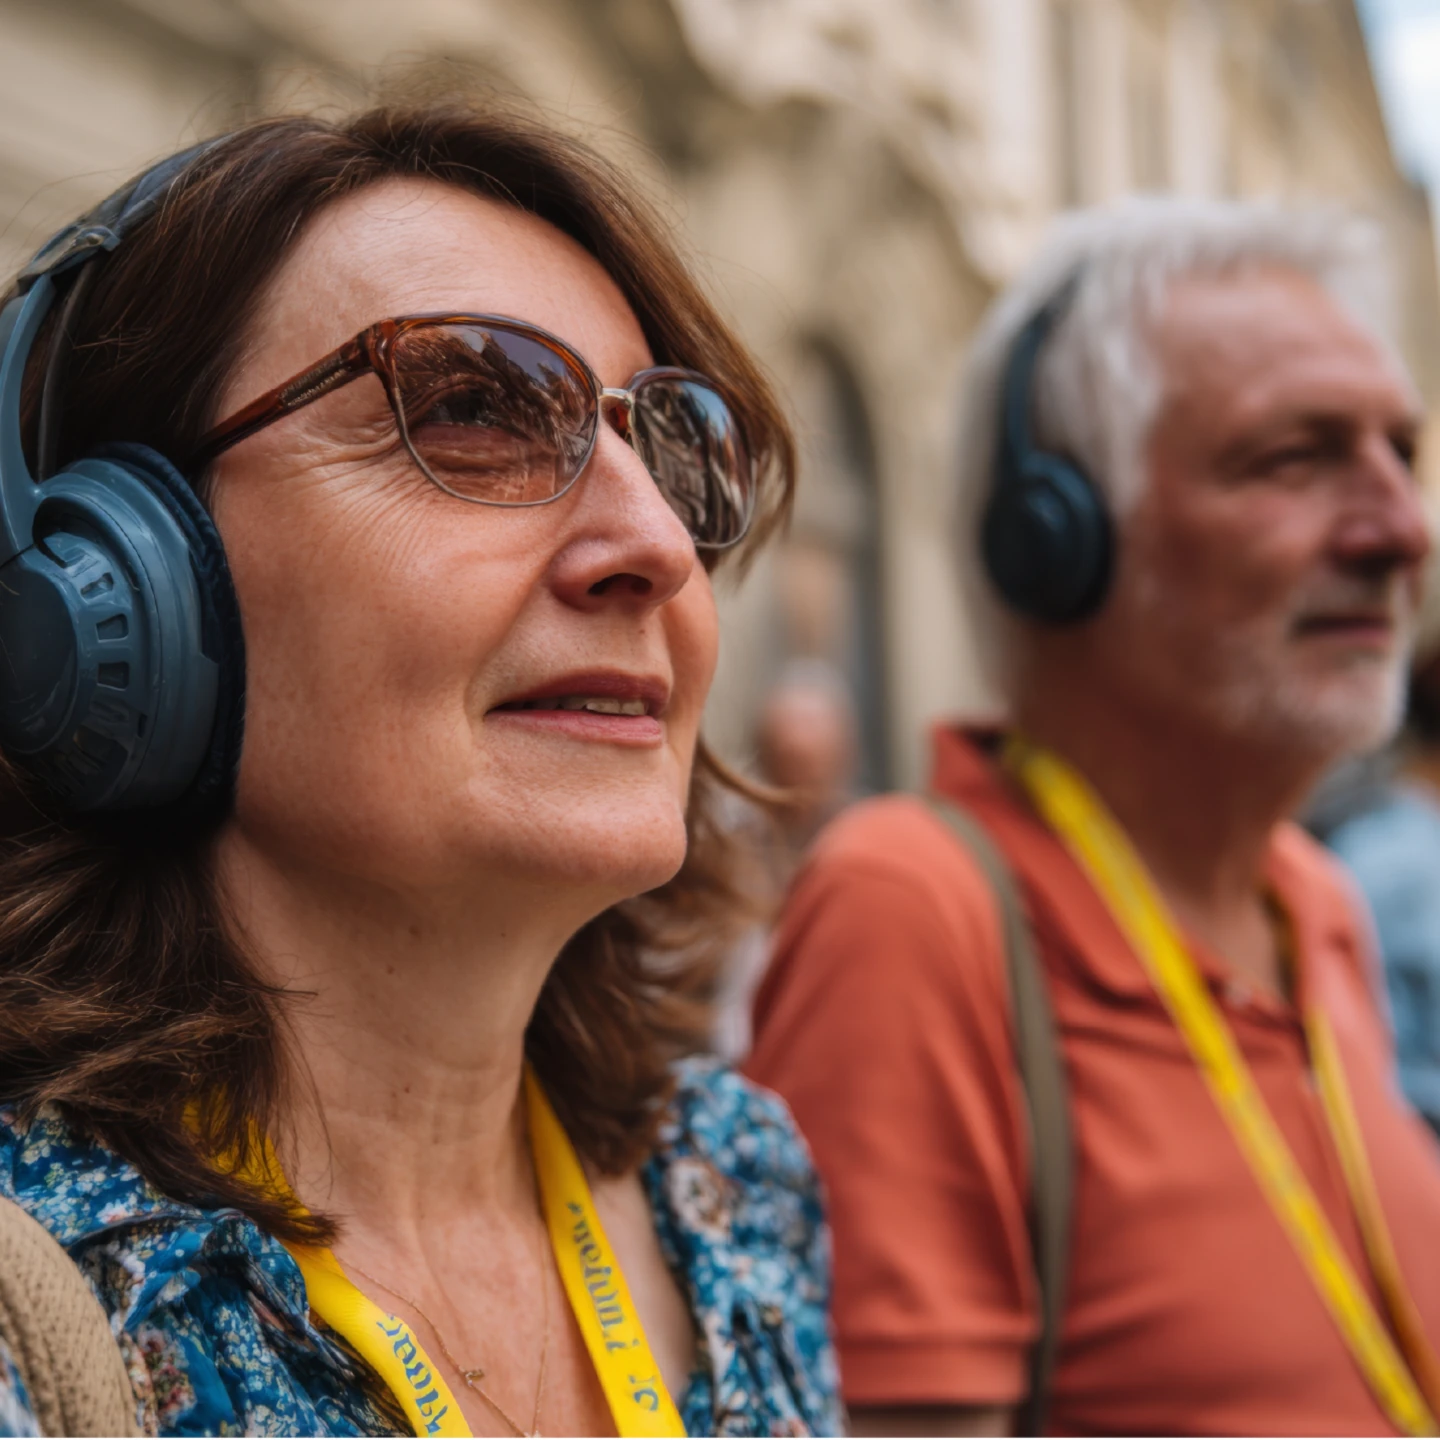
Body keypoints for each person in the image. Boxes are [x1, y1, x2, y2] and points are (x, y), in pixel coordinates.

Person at [0, 104, 840, 1438]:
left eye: (670, 447)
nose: (658, 548)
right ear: (125, 588)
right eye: (468, 411)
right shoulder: (26, 1318)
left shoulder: (735, 1184)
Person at [747, 197, 1440, 1436]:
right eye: (1295, 457)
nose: (1404, 528)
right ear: (1052, 537)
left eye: (1403, 451)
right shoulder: (917, 909)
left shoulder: (1315, 900)